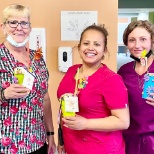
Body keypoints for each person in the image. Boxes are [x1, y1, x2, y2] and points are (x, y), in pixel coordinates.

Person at [57, 24, 130, 154]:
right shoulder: (72, 71)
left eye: (97, 44)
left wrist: (86, 123)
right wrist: (62, 140)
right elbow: (64, 107)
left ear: (104, 50)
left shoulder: (111, 80)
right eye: (86, 43)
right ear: (79, 47)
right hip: (72, 147)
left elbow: (123, 121)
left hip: (102, 149)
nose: (90, 48)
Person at [0, 4, 56, 154]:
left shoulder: (37, 58)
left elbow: (45, 98)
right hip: (6, 145)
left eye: (24, 23)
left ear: (30, 28)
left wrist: (50, 134)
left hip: (37, 142)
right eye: (13, 22)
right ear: (3, 27)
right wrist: (3, 95)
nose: (19, 27)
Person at [118, 20, 154, 154]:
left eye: (143, 39)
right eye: (132, 40)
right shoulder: (123, 71)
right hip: (129, 138)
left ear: (152, 41)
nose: (137, 45)